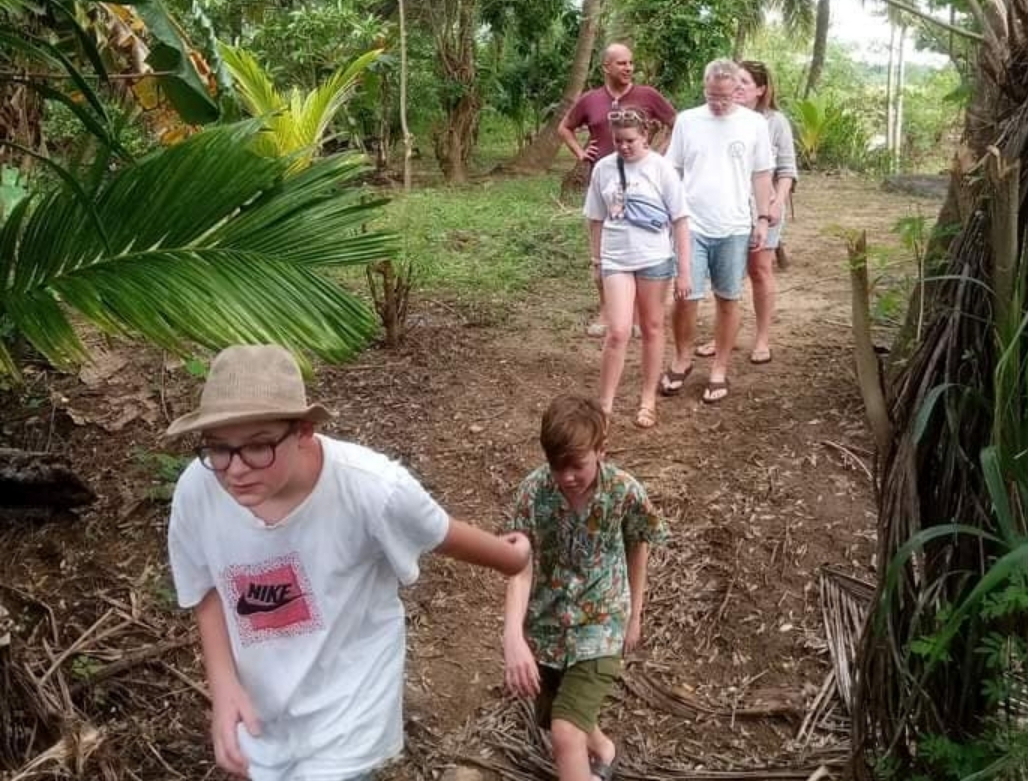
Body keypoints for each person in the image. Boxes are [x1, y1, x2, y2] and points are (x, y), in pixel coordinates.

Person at [166, 344, 531, 781]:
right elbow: (205, 586)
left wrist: (514, 557)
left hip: (348, 709)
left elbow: (440, 532)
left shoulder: (372, 489)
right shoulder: (198, 489)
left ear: (302, 430)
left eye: (258, 447)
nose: (236, 469)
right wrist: (223, 685)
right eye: (219, 449)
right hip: (264, 711)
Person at [503, 395, 669, 781]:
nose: (565, 477)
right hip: (548, 623)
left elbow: (638, 546)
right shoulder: (531, 493)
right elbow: (519, 565)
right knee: (556, 715)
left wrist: (634, 617)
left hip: (602, 620)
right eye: (556, 466)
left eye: (576, 466)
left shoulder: (624, 492)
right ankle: (605, 751)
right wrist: (512, 635)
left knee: (565, 731)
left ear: (601, 452)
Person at [661, 59, 774, 404]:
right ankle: (683, 357)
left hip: (734, 225)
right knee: (686, 296)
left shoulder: (754, 124)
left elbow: (761, 174)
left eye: (725, 97)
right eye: (712, 96)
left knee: (728, 297)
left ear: (737, 92)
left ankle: (719, 368)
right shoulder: (688, 121)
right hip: (691, 223)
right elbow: (671, 169)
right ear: (705, 88)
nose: (718, 103)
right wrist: (667, 213)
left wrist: (763, 218)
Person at [557, 43, 677, 338]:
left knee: (642, 245)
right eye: (621, 63)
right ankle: (606, 309)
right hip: (606, 183)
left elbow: (676, 123)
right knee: (603, 248)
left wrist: (660, 153)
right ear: (606, 68)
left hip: (645, 189)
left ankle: (636, 312)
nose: (628, 68)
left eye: (631, 63)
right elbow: (565, 127)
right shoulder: (591, 99)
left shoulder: (647, 95)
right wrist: (580, 153)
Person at [583, 107, 691, 428]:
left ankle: (647, 399)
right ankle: (604, 405)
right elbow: (595, 218)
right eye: (618, 141)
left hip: (654, 258)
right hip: (616, 258)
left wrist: (684, 270)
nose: (624, 146)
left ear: (645, 136)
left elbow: (680, 220)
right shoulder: (603, 169)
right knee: (617, 331)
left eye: (630, 140)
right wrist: (596, 260)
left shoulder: (661, 169)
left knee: (652, 328)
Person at [696, 60, 797, 364]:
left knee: (759, 269)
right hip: (730, 209)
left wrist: (776, 202)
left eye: (744, 82)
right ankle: (722, 335)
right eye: (734, 80)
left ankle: (762, 337)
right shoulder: (720, 117)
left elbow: (786, 169)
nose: (737, 87)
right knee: (728, 275)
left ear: (761, 89)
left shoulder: (774, 122)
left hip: (763, 208)